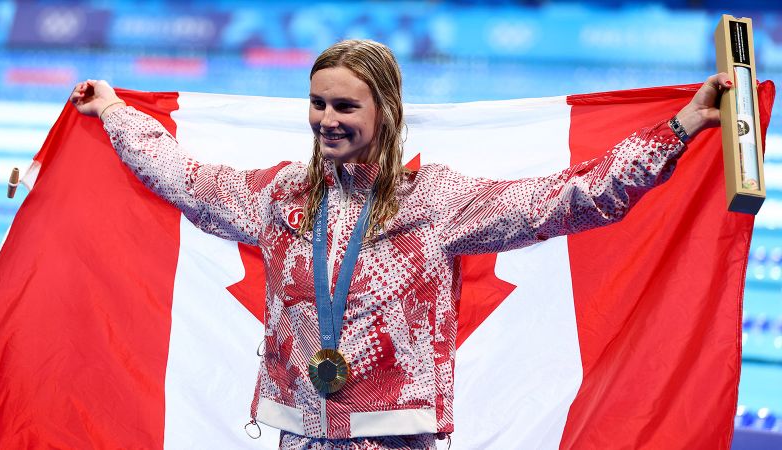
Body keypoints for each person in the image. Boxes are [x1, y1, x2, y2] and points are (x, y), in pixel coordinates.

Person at [70, 39, 732, 450]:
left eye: (345, 107)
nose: (327, 120)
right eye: (318, 104)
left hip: (395, 439)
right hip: (298, 433)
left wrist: (679, 128)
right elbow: (187, 179)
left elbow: (571, 198)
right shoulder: (282, 197)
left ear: (384, 110)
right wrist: (117, 114)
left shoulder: (436, 201)